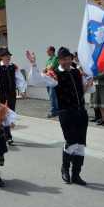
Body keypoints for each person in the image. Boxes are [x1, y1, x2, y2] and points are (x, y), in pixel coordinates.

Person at [27, 47, 92, 186]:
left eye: (68, 58)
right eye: (63, 59)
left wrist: (88, 84)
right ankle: (65, 168)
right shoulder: (55, 74)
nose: (66, 61)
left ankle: (76, 175)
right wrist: (33, 64)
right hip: (66, 113)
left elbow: (86, 90)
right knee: (71, 143)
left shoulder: (78, 72)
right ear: (59, 60)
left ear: (71, 58)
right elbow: (36, 81)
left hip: (81, 113)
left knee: (80, 145)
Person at [0, 50, 27, 145]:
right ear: (2, 57)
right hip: (0, 95)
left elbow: (19, 79)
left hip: (11, 94)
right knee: (1, 114)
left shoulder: (14, 67)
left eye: (9, 56)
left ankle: (6, 135)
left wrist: (22, 90)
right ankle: (6, 135)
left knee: (9, 113)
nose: (8, 58)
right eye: (6, 56)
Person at [45, 46, 60, 118]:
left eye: (47, 50)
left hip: (53, 80)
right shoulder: (48, 60)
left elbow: (50, 68)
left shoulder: (55, 58)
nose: (46, 52)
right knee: (51, 96)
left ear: (51, 51)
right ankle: (56, 110)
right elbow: (46, 69)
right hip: (48, 79)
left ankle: (54, 111)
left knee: (53, 95)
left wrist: (46, 69)